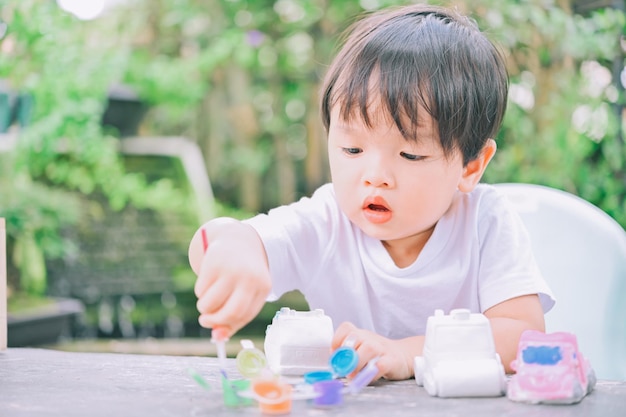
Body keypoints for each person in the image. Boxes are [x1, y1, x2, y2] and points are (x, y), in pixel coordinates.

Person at [188, 3, 554, 382]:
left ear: (471, 166)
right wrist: (235, 251)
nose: (376, 177)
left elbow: (521, 335)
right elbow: (232, 240)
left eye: (411, 153)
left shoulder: (485, 221)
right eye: (352, 150)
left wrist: (407, 354)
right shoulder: (326, 221)